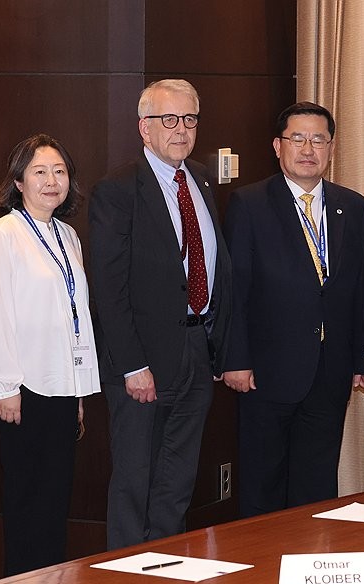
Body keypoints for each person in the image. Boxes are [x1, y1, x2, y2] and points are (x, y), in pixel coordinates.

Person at [89, 79, 234, 549]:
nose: (180, 130)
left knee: (178, 479)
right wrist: (133, 365)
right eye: (167, 120)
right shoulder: (117, 188)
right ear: (143, 128)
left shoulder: (200, 180)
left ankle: (166, 571)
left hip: (196, 348)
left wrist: (214, 346)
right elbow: (109, 289)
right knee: (136, 480)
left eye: (189, 119)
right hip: (142, 361)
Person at [222, 102, 364, 515]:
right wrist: (235, 360)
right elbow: (236, 290)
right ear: (277, 145)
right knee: (262, 482)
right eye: (298, 139)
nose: (308, 149)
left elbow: (358, 288)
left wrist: (363, 355)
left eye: (318, 139)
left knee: (318, 483)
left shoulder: (353, 206)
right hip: (266, 371)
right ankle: (261, 572)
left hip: (330, 369)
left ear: (331, 148)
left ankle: (311, 566)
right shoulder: (249, 203)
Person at [0, 134, 100, 574]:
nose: (52, 181)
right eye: (40, 172)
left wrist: (80, 389)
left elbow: (76, 315)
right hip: (23, 392)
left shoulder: (67, 235)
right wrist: (6, 387)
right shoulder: (4, 234)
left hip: (62, 389)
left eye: (60, 171)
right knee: (28, 503)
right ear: (18, 181)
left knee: (54, 502)